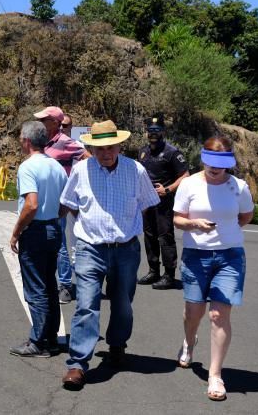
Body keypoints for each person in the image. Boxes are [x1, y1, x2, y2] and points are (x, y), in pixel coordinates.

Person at [59, 120, 160, 391]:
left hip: (125, 249)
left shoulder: (135, 170)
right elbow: (68, 204)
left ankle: (117, 345)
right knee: (86, 303)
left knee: (123, 304)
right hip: (90, 248)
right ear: (91, 148)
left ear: (119, 145)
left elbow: (148, 204)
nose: (105, 152)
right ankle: (78, 364)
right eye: (99, 148)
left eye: (110, 147)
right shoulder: (81, 170)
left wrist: (128, 227)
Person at [172, 136, 253, 402]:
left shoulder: (238, 187)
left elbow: (245, 216)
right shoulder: (189, 185)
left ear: (229, 162)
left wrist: (227, 233)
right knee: (193, 312)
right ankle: (189, 341)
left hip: (230, 256)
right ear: (203, 158)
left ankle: (215, 374)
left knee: (218, 315)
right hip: (196, 256)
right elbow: (177, 219)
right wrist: (195, 225)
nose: (215, 168)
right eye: (210, 162)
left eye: (221, 163)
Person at [8, 121, 68, 358]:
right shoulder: (56, 166)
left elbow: (31, 204)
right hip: (53, 228)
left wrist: (16, 232)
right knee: (49, 285)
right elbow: (65, 203)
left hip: (35, 231)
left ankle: (39, 341)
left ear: (27, 141)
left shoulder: (28, 167)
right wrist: (54, 217)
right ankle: (51, 338)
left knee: (35, 288)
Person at [34, 106, 89, 304]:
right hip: (42, 199)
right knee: (44, 240)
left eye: (45, 119)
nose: (41, 122)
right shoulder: (41, 142)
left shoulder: (66, 142)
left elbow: (88, 159)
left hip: (60, 200)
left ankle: (65, 285)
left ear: (55, 123)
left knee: (59, 244)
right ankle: (50, 283)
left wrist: (80, 184)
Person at [137, 114, 189, 290]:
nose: (153, 134)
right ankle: (153, 271)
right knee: (149, 236)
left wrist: (167, 189)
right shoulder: (143, 151)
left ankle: (169, 275)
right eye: (150, 130)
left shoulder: (172, 152)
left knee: (165, 237)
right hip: (147, 202)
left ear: (163, 131)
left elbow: (185, 176)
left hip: (164, 202)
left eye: (157, 130)